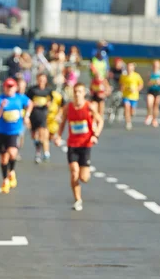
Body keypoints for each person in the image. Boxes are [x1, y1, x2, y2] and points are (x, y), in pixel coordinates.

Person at [55, 83, 104, 211]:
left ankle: (84, 176)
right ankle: (77, 199)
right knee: (74, 173)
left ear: (84, 93)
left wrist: (96, 135)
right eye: (75, 91)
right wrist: (58, 136)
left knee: (84, 178)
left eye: (80, 91)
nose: (77, 94)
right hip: (72, 144)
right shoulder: (68, 107)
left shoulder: (89, 107)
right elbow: (63, 123)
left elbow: (100, 121)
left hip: (86, 144)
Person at [0, 77, 32, 194]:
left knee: (13, 153)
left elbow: (30, 104)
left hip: (15, 132)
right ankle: (5, 180)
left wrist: (27, 115)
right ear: (4, 87)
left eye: (11, 87)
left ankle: (12, 171)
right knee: (4, 158)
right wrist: (1, 108)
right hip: (2, 132)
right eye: (7, 86)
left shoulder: (20, 98)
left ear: (15, 88)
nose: (9, 89)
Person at [26, 73, 53, 163]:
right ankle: (37, 145)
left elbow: (52, 99)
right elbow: (27, 100)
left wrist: (48, 103)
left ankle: (39, 153)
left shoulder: (48, 90)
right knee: (34, 135)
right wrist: (32, 104)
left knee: (42, 133)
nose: (42, 81)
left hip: (43, 113)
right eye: (40, 80)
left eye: (43, 80)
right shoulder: (32, 90)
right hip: (34, 113)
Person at [119, 62, 144, 130]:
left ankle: (130, 114)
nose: (129, 69)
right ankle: (128, 122)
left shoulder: (137, 76)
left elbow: (141, 85)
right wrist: (124, 88)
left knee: (132, 111)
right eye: (128, 68)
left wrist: (136, 89)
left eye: (131, 68)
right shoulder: (123, 76)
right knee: (127, 107)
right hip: (126, 95)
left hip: (134, 96)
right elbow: (121, 86)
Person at [145, 60, 160, 128]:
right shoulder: (150, 73)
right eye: (154, 65)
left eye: (157, 65)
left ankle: (154, 119)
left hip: (158, 91)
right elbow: (147, 83)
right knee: (149, 103)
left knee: (156, 105)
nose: (155, 67)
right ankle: (149, 115)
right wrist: (151, 82)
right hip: (151, 90)